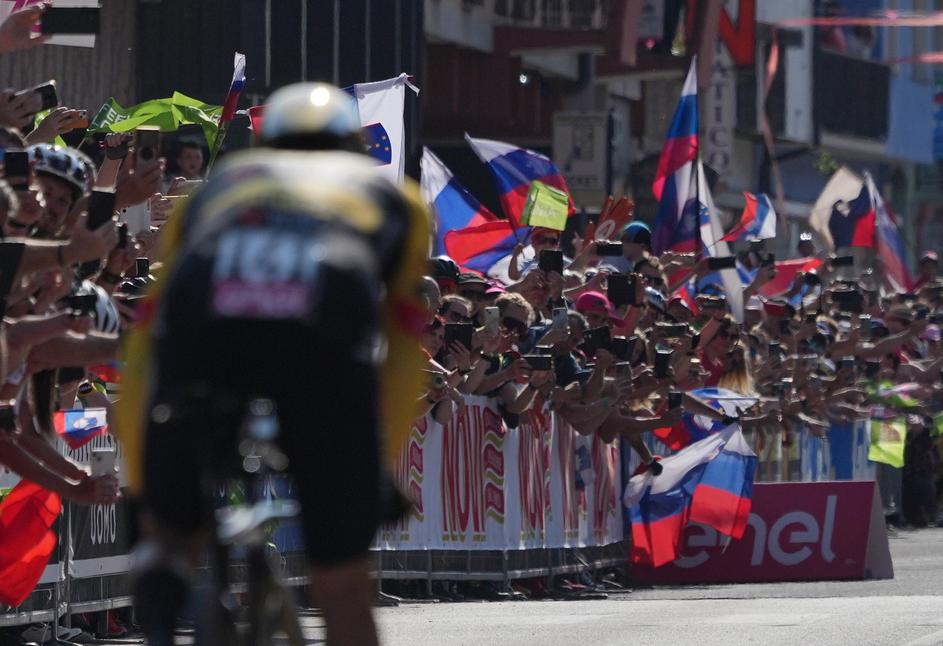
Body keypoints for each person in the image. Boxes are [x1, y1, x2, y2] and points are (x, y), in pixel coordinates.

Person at [119, 83, 429, 646]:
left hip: (203, 331)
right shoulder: (399, 200)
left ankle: (163, 576)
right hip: (321, 333)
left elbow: (147, 334)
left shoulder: (215, 190)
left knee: (169, 530)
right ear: (353, 148)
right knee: (342, 583)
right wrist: (380, 464)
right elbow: (405, 349)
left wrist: (141, 482)